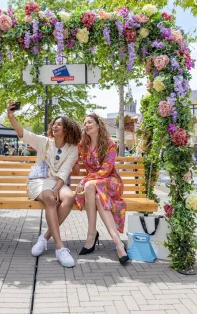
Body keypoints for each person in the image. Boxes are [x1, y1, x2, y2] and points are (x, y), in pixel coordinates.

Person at [7, 102, 81, 267]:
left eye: (59, 124)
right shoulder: (44, 141)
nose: (55, 126)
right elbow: (22, 133)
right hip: (39, 181)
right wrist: (11, 117)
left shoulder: (72, 148)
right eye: (54, 123)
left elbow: (65, 171)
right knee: (50, 199)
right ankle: (60, 248)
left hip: (57, 182)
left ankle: (44, 238)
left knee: (69, 197)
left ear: (67, 129)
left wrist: (57, 187)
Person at [74, 114, 128, 265]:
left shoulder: (110, 144)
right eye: (85, 123)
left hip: (111, 182)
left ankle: (91, 235)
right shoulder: (82, 146)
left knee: (90, 185)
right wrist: (75, 163)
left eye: (90, 122)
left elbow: (106, 170)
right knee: (96, 195)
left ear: (98, 125)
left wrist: (85, 179)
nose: (87, 124)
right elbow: (70, 154)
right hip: (95, 187)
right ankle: (118, 244)